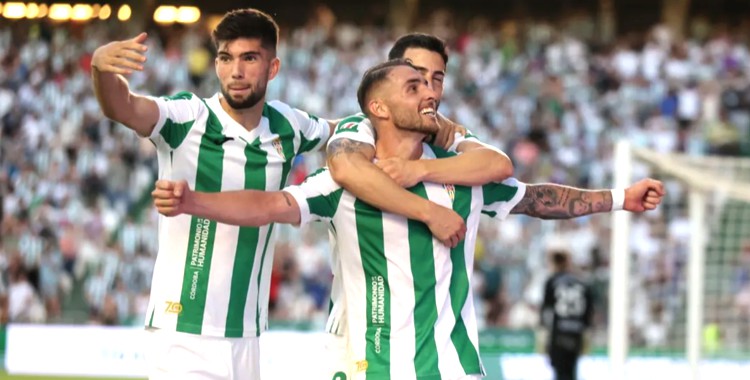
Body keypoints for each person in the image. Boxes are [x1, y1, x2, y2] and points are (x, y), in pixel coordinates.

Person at [152, 60, 665, 379]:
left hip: (453, 366)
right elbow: (272, 206)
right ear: (377, 106)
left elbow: (536, 197)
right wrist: (192, 201)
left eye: (431, 84)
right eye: (413, 86)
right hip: (371, 369)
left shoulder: (459, 174)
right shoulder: (348, 177)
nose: (430, 94)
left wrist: (621, 197)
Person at [540, 249, 594, 380]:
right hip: (576, 333)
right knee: (571, 371)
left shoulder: (552, 282)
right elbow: (588, 312)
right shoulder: (583, 284)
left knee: (560, 372)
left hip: (558, 334)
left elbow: (546, 312)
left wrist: (544, 335)